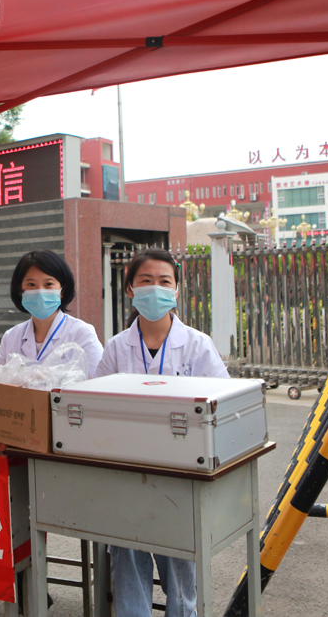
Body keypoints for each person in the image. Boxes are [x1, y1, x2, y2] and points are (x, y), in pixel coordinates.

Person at [97, 247, 229, 617]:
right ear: (129, 289)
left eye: (164, 282)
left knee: (181, 569)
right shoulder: (116, 348)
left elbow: (223, 404)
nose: (155, 289)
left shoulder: (199, 345)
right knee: (128, 561)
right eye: (145, 281)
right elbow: (93, 408)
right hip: (126, 475)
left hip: (180, 476)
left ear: (176, 290)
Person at [0, 250, 103, 377]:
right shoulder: (11, 337)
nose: (40, 291)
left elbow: (98, 383)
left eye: (48, 284)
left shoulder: (82, 333)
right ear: (20, 290)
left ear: (63, 290)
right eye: (31, 284)